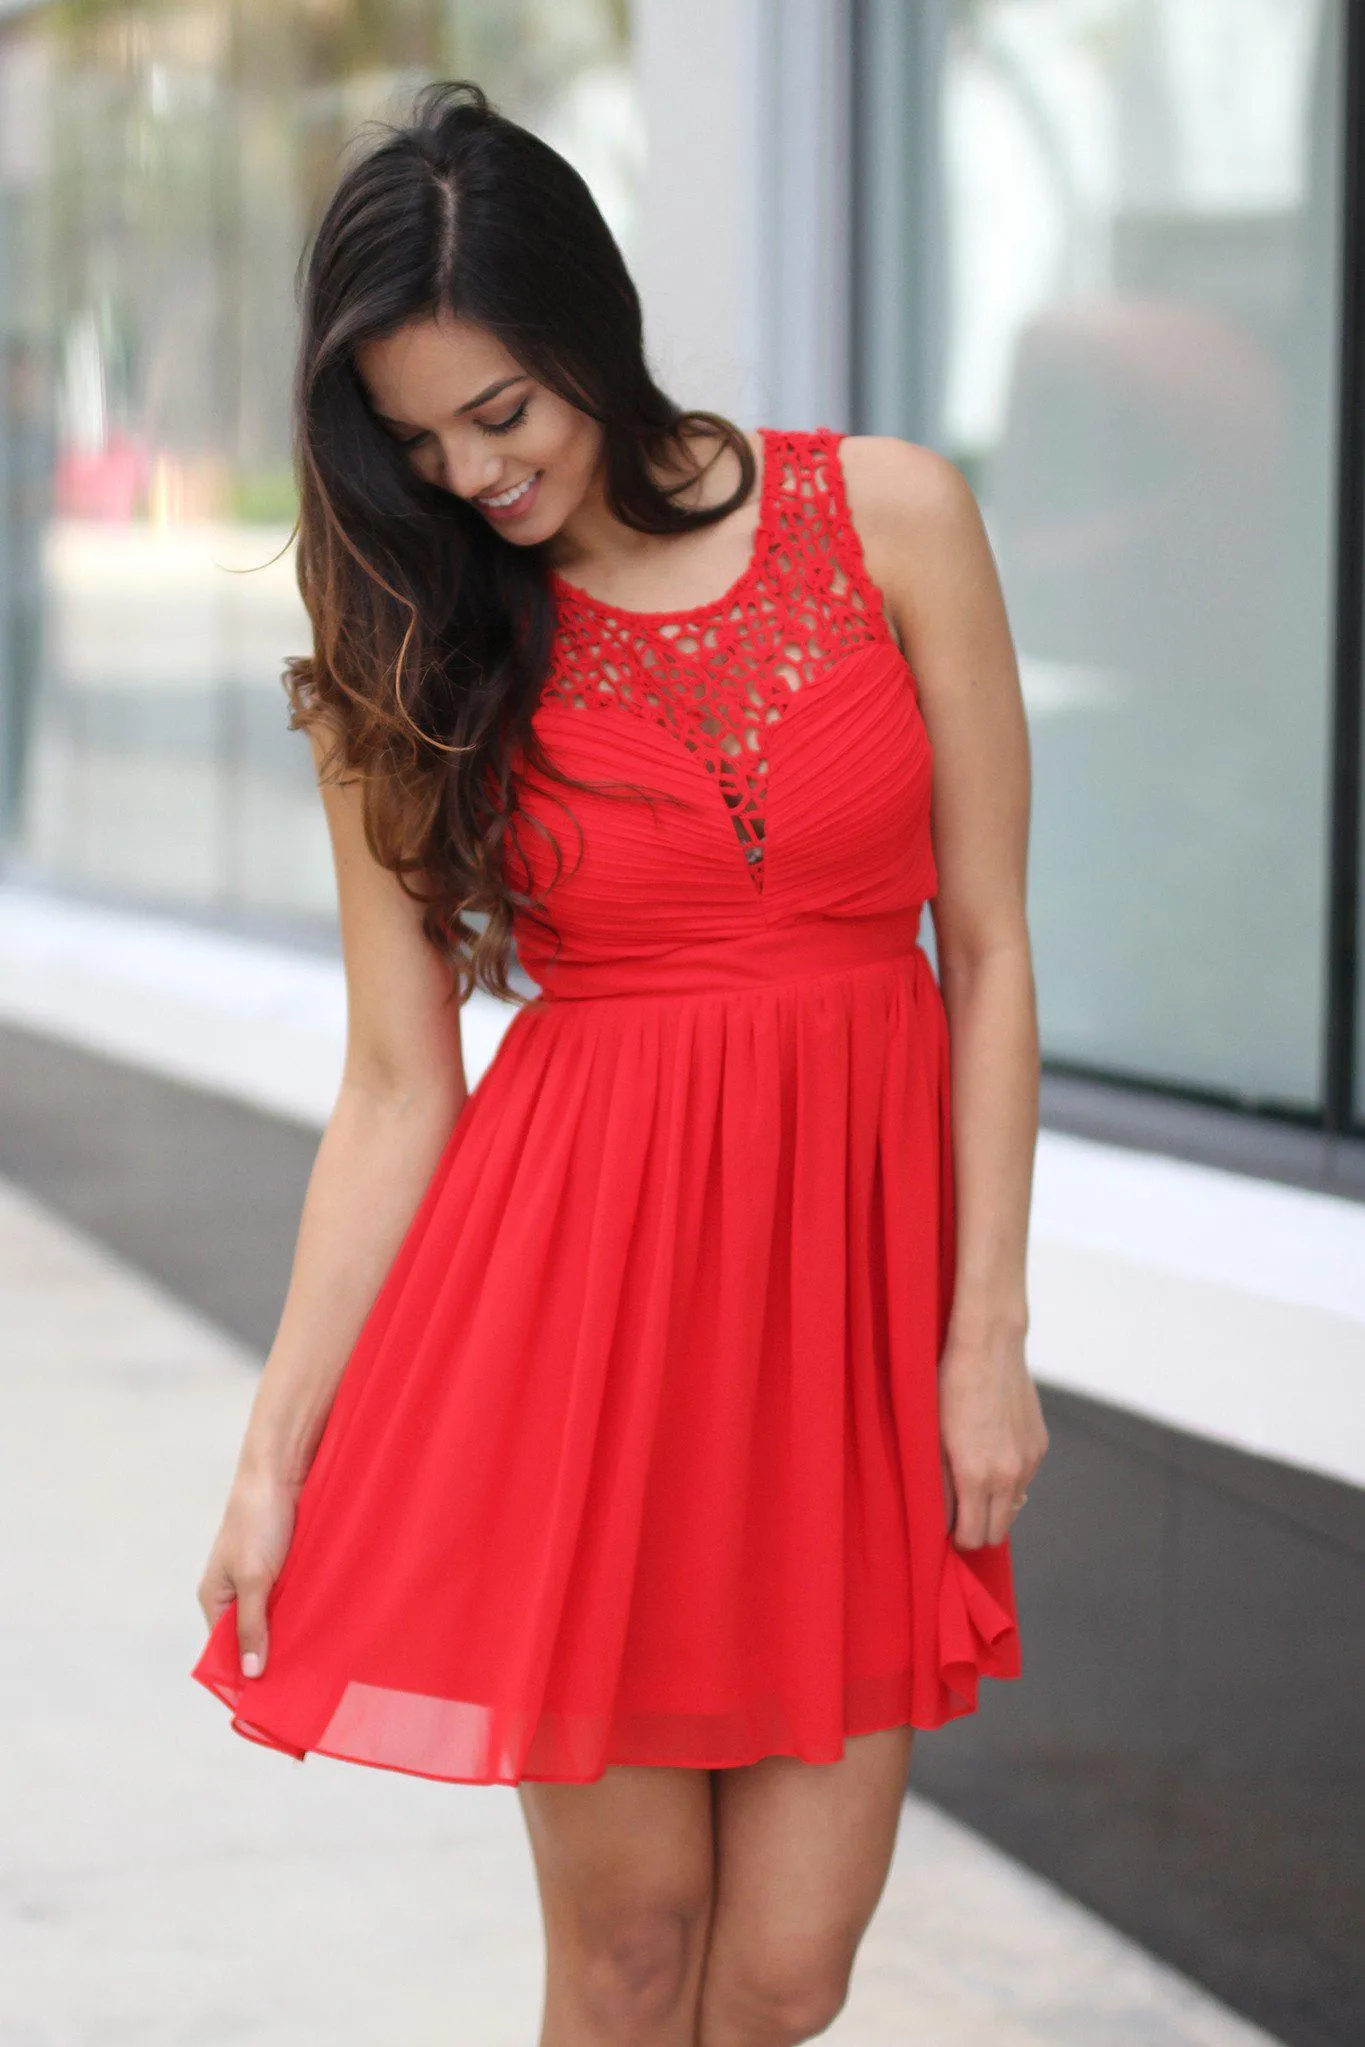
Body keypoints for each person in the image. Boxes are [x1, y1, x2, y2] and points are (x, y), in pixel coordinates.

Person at [190, 78, 1048, 2047]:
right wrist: (275, 1448)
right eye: (418, 442)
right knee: (636, 1951)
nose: (475, 476)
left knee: (783, 1975)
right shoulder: (421, 646)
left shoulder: (892, 517)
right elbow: (399, 1088)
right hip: (585, 1332)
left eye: (503, 411)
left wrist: (984, 1331)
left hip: (843, 1328)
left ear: (595, 328)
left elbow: (989, 952)